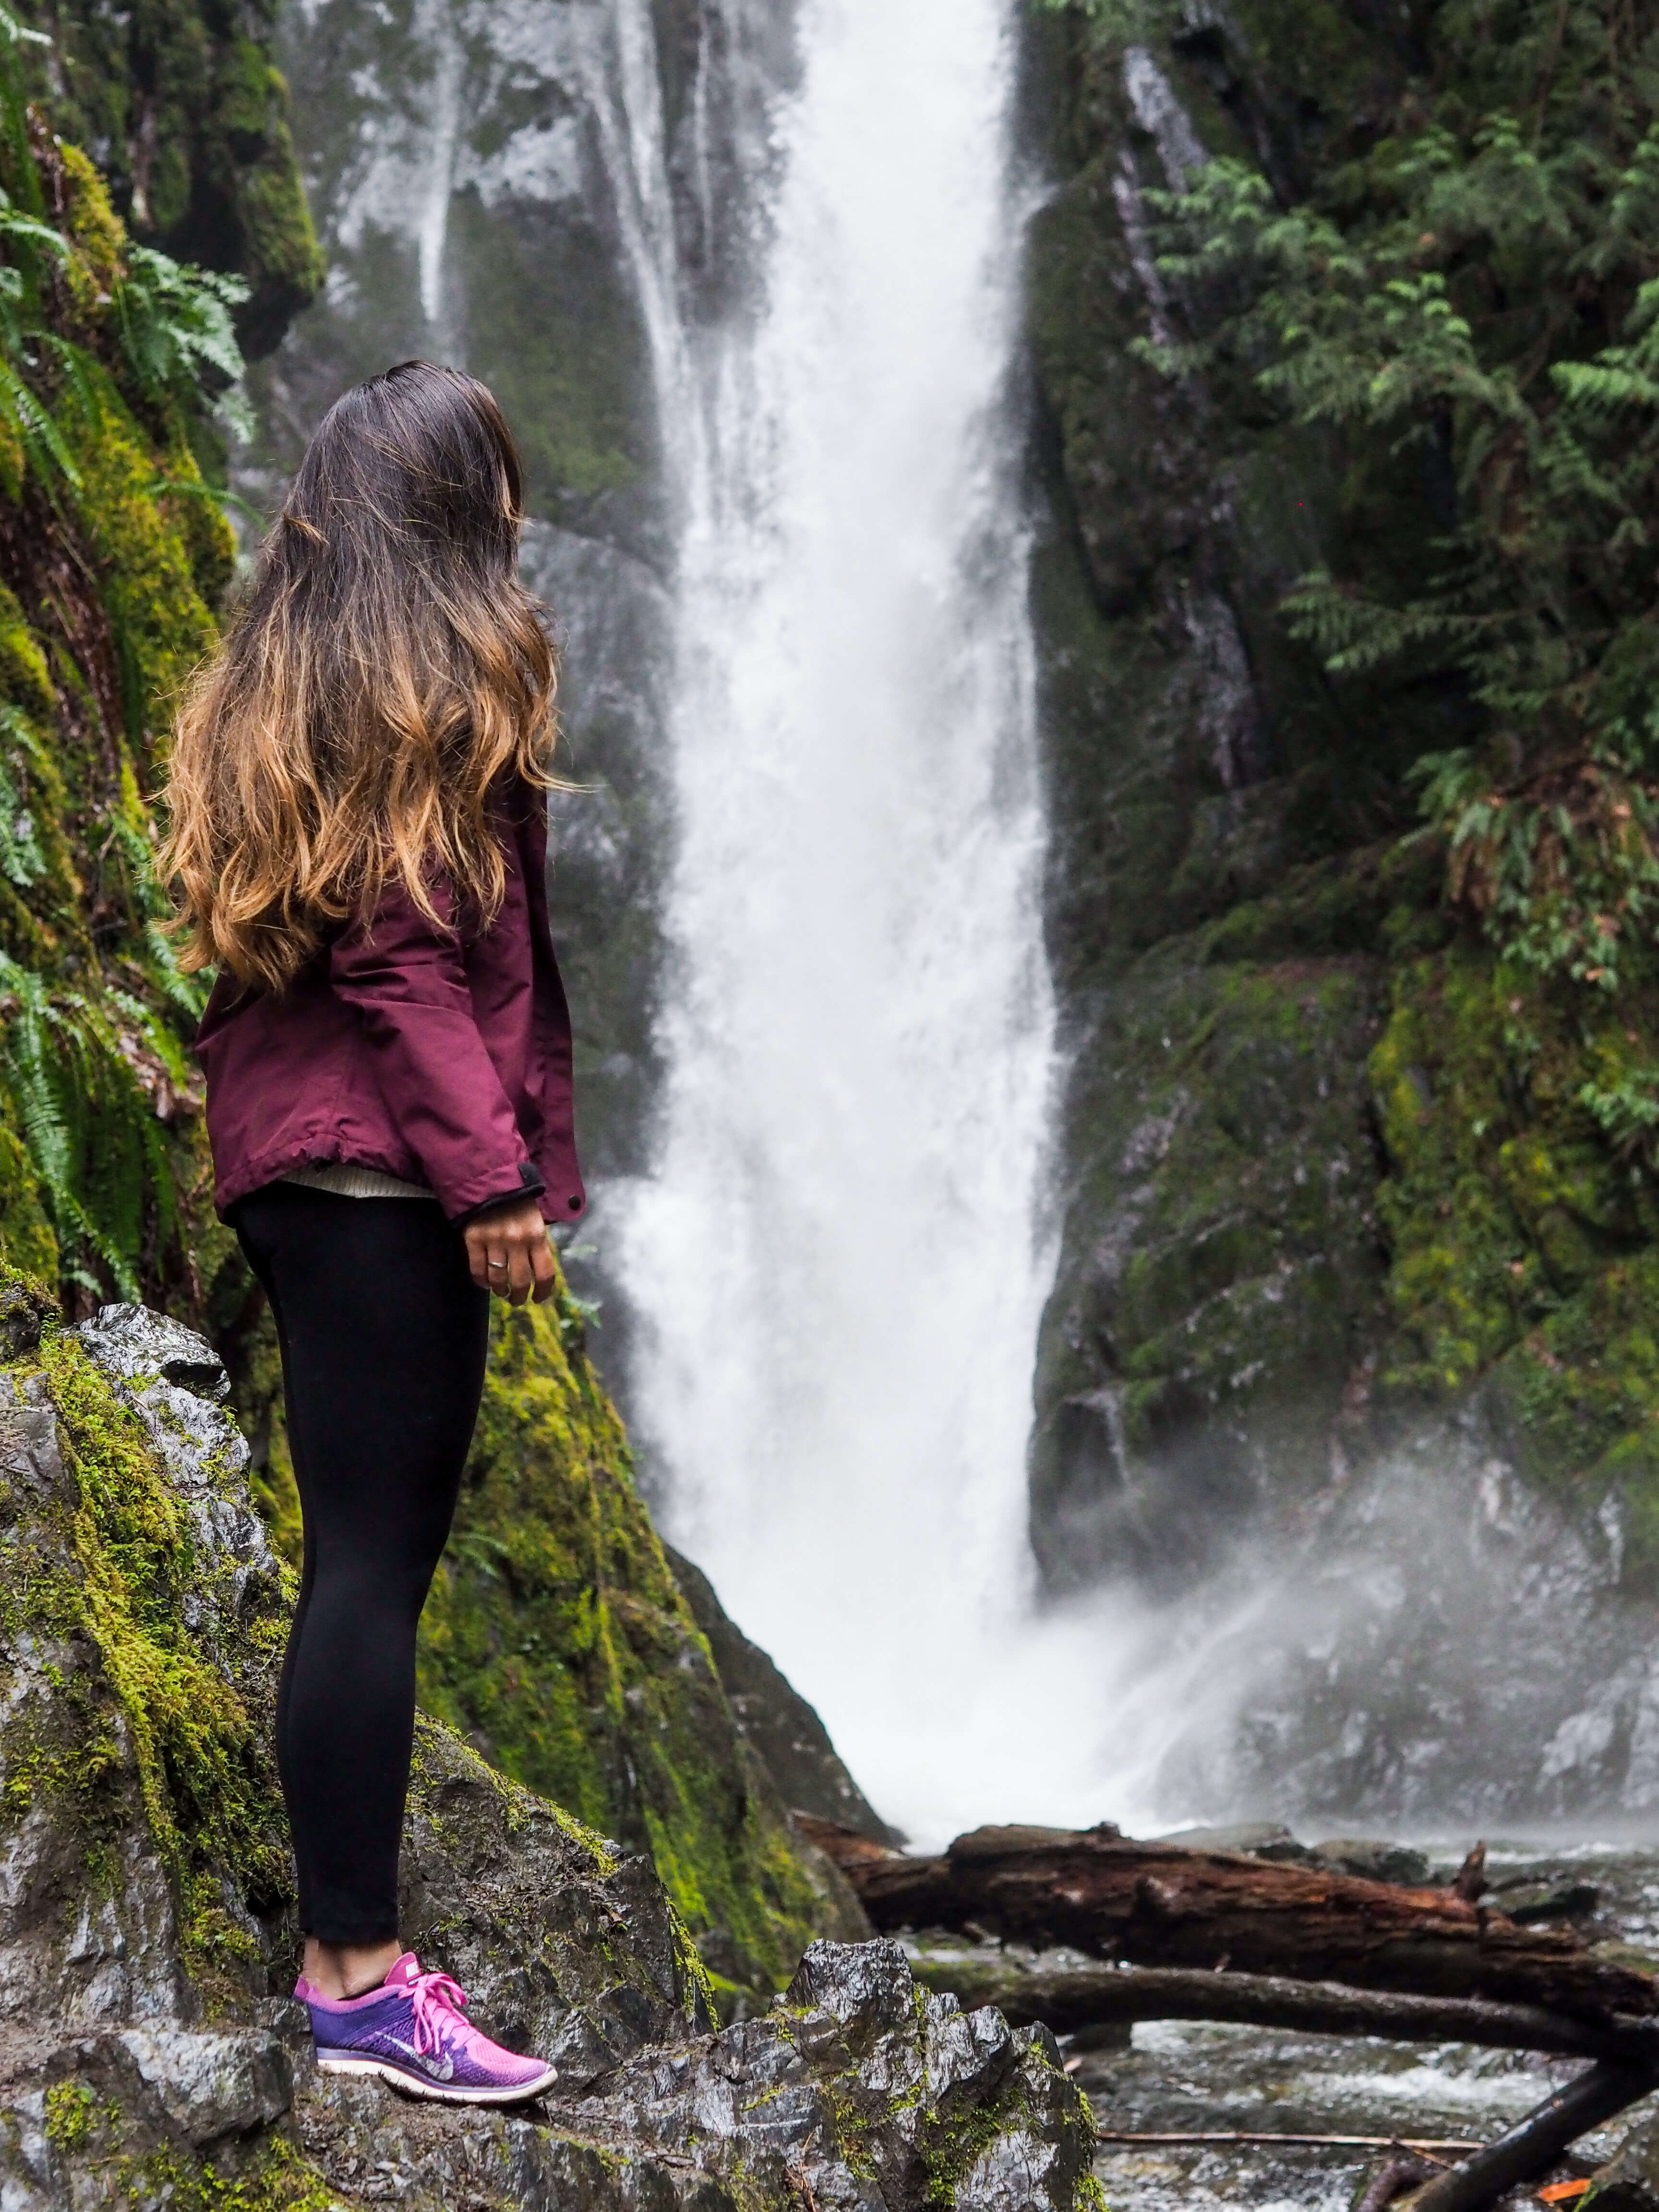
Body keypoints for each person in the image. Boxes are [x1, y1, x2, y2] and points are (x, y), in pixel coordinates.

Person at [162, 360, 583, 2105]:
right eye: (496, 481)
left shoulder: (296, 685)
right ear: (454, 509)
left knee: (354, 1567)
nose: (516, 511)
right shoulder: (433, 693)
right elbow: (406, 966)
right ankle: (356, 1983)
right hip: (380, 1177)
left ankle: (353, 1959)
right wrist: (490, 1183)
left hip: (293, 1164)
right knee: (367, 1577)